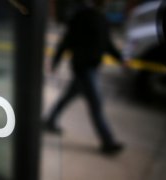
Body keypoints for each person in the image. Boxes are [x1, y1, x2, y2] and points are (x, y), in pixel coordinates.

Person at [45, 0, 124, 155]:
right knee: (96, 106)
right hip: (84, 69)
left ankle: (50, 120)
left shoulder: (100, 18)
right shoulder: (82, 17)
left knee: (68, 97)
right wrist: (55, 62)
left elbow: (107, 43)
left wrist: (120, 58)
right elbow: (66, 41)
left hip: (89, 68)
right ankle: (108, 141)